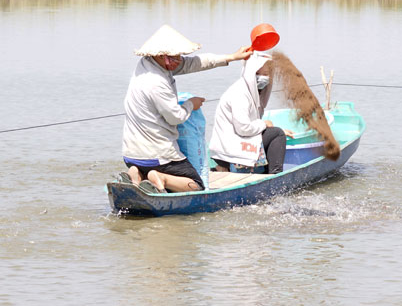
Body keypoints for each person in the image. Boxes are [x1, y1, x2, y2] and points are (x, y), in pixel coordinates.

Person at [122, 24, 251, 193]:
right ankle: (161, 177)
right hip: (158, 156)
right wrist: (191, 104)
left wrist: (232, 57)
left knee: (147, 169)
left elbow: (193, 63)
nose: (179, 60)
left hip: (131, 155)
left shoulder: (147, 64)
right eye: (175, 57)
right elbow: (175, 117)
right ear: (161, 55)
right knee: (196, 185)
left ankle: (138, 174)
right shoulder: (157, 82)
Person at [208, 54, 287, 174]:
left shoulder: (253, 93)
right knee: (277, 134)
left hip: (234, 141)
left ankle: (264, 174)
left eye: (267, 74)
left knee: (275, 133)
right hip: (228, 149)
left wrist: (265, 128)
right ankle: (276, 177)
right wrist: (264, 124)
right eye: (261, 74)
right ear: (251, 73)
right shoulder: (240, 94)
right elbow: (244, 128)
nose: (265, 78)